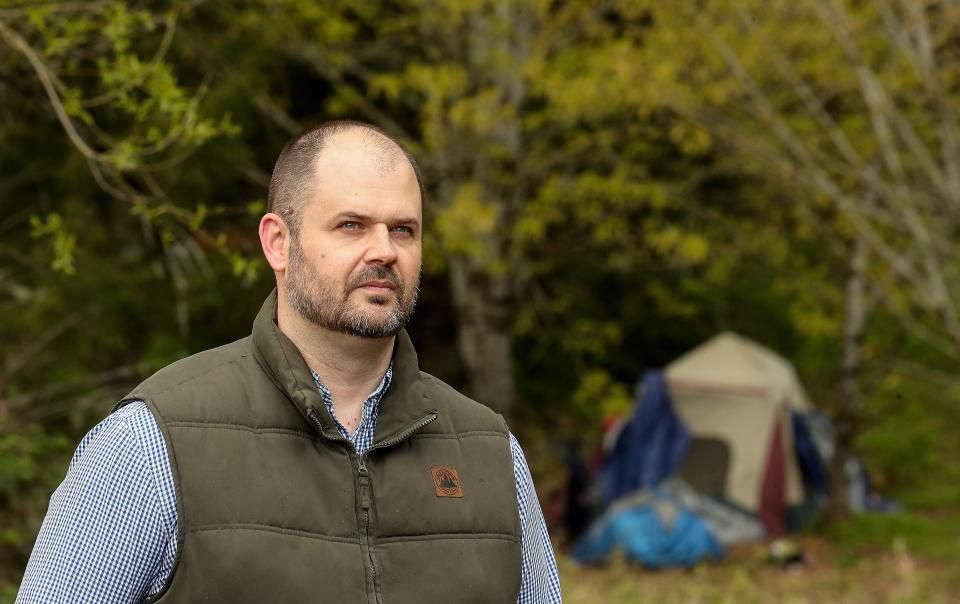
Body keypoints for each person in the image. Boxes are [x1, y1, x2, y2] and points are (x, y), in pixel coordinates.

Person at [18, 120, 562, 603]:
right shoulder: (151, 444)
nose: (384, 250)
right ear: (278, 243)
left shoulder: (491, 455)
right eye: (351, 225)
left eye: (403, 229)